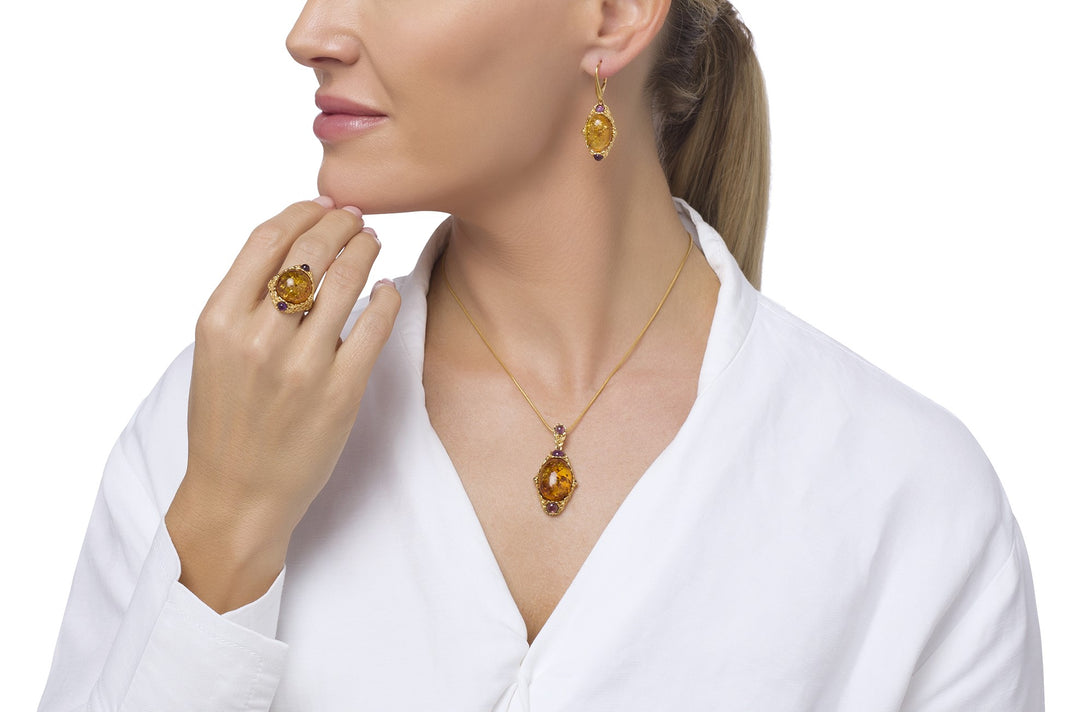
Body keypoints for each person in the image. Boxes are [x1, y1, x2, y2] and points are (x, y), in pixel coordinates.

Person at [38, 0, 1043, 709]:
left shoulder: (913, 505)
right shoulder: (218, 418)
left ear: (612, 16)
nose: (309, 31)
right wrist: (225, 532)